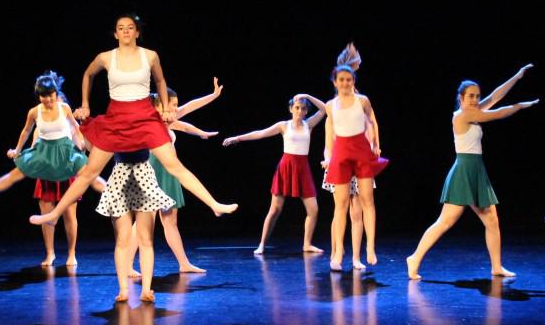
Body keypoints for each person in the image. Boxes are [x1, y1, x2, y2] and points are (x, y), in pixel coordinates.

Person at [29, 14, 236, 226]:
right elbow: (88, 75)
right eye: (121, 28)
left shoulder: (150, 56)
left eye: (130, 27)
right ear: (116, 34)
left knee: (175, 165)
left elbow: (160, 81)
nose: (126, 31)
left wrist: (166, 108)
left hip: (144, 117)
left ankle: (214, 204)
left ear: (137, 32)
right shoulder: (106, 57)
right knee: (89, 172)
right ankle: (54, 214)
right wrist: (85, 104)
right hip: (117, 118)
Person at [406, 67, 537, 280]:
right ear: (461, 98)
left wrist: (517, 76)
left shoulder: (474, 111)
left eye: (477, 96)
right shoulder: (463, 115)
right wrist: (519, 106)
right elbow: (497, 113)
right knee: (445, 222)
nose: (475, 99)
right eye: (471, 96)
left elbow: (494, 97)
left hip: (476, 169)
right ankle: (414, 258)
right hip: (464, 171)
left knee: (492, 220)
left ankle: (496, 266)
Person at [223, 93, 326, 254]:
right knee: (275, 209)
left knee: (313, 210)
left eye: (303, 108)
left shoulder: (309, 125)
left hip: (302, 169)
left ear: (306, 111)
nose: (299, 111)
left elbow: (325, 109)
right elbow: (260, 133)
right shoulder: (284, 126)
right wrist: (237, 138)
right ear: (291, 109)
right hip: (286, 167)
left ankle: (307, 244)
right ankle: (262, 244)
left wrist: (306, 95)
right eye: (297, 108)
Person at [0, 71, 90, 204]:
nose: (50, 102)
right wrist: (17, 151)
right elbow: (27, 135)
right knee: (16, 174)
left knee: (89, 176)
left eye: (52, 98)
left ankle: (108, 195)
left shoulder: (66, 113)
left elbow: (78, 134)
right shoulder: (36, 116)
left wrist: (82, 145)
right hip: (46, 161)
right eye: (45, 97)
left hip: (65, 162)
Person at [144, 82, 223, 274]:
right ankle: (128, 264)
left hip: (168, 171)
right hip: (156, 168)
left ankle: (184, 263)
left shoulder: (167, 119)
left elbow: (187, 116)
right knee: (145, 223)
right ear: (161, 104)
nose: (176, 108)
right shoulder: (153, 119)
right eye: (173, 104)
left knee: (169, 221)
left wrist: (212, 97)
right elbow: (185, 117)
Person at [322, 64, 388, 271]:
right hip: (341, 153)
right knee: (341, 205)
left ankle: (370, 247)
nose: (345, 83)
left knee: (367, 200)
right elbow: (330, 132)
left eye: (348, 79)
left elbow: (372, 121)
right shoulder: (330, 105)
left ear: (353, 81)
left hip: (360, 150)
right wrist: (329, 156)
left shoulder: (362, 101)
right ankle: (338, 252)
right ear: (335, 82)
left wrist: (375, 144)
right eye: (341, 79)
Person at [96, 149, 175, 303]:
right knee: (122, 240)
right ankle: (123, 290)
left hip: (144, 175)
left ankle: (146, 290)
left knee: (146, 240)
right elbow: (97, 149)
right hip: (120, 177)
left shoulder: (146, 132)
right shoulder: (115, 133)